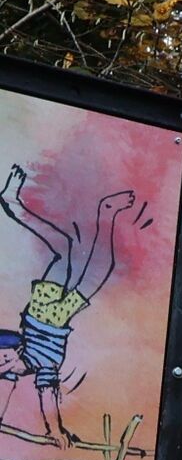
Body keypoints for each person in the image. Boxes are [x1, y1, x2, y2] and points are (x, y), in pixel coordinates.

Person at [0, 163, 136, 445]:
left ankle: (103, 213)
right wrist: (56, 431)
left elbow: (29, 391)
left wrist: (55, 431)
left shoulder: (26, 358)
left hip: (46, 316)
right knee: (69, 251)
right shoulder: (42, 367)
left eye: (4, 356)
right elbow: (45, 394)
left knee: (89, 262)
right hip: (52, 316)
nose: (5, 361)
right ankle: (14, 203)